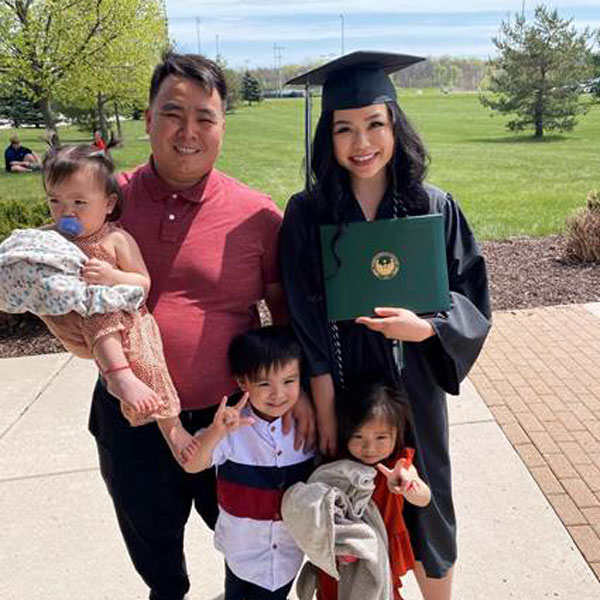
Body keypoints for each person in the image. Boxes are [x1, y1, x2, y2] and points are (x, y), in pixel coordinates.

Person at [83, 52, 314, 600]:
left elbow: (283, 314)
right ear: (146, 118)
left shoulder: (257, 215)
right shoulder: (106, 202)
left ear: (223, 126)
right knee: (157, 559)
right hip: (133, 421)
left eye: (205, 118)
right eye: (173, 113)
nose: (189, 131)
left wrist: (297, 391)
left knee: (256, 553)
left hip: (235, 422)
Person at [280, 51, 491, 599]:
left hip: (415, 391)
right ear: (327, 136)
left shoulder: (433, 207)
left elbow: (470, 296)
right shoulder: (308, 213)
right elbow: (302, 315)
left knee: (428, 508)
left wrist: (427, 329)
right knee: (354, 517)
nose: (361, 142)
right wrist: (324, 404)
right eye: (343, 128)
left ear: (395, 125)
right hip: (345, 395)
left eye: (375, 124)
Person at [27, 143, 196, 466]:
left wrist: (111, 274)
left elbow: (143, 283)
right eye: (55, 201)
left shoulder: (114, 240)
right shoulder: (52, 239)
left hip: (126, 322)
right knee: (93, 314)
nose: (67, 212)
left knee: (150, 368)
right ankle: (122, 380)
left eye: (79, 202)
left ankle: (170, 428)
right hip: (76, 326)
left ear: (108, 204)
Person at [183, 326, 316, 600]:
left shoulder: (306, 428)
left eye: (289, 381)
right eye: (265, 383)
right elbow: (193, 465)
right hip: (239, 551)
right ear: (243, 383)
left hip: (286, 556)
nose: (278, 394)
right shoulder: (232, 428)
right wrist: (216, 432)